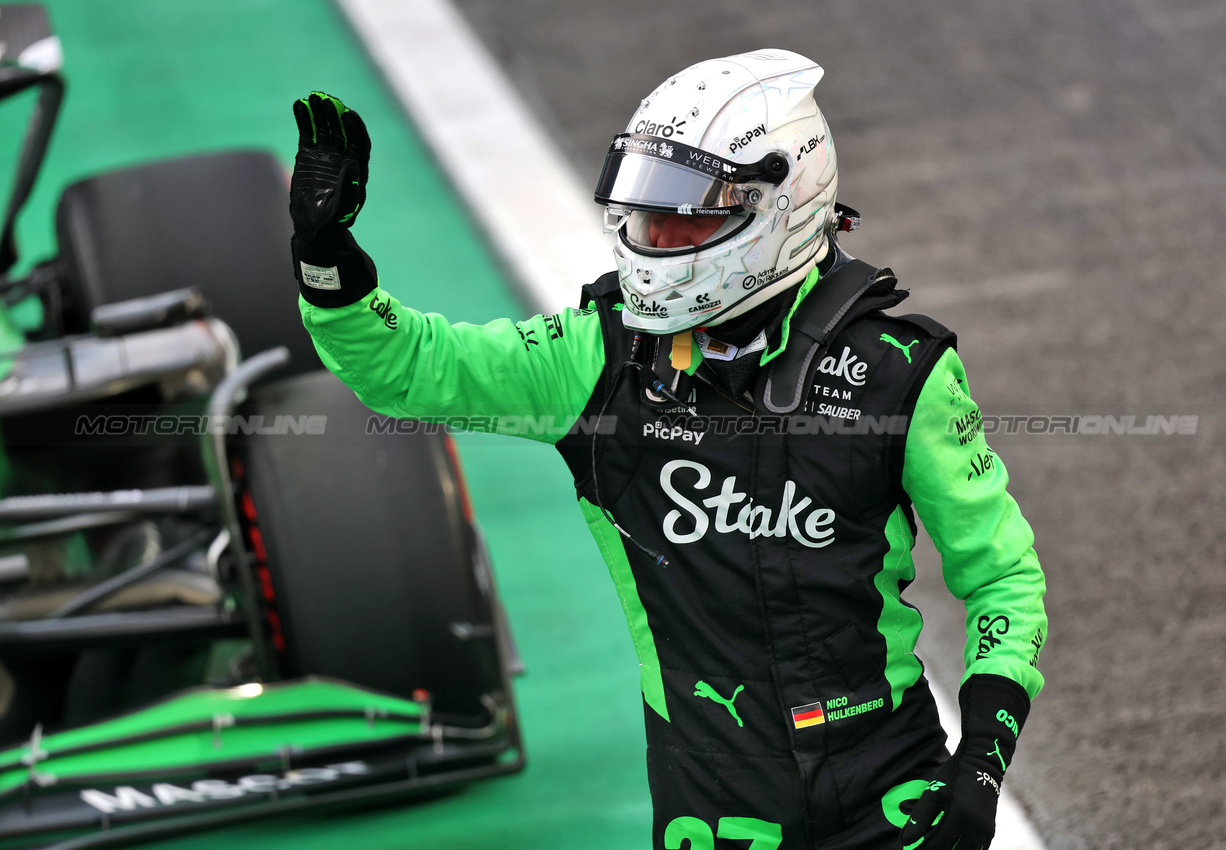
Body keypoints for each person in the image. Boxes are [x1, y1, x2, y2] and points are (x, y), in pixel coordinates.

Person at [289, 49, 1047, 850]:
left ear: (781, 204)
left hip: (890, 789)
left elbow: (1002, 577)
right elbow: (409, 369)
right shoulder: (592, 359)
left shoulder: (901, 374)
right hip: (709, 799)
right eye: (650, 213)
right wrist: (326, 260)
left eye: (689, 215)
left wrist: (981, 766)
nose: (659, 237)